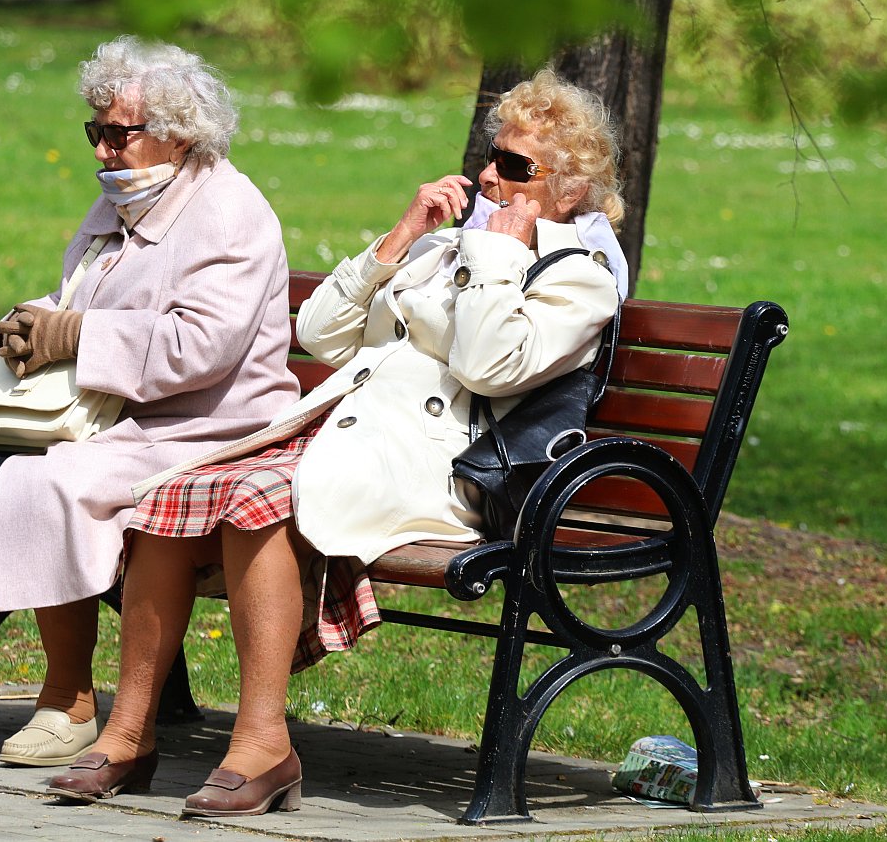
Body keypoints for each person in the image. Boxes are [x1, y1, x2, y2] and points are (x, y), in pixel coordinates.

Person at [44, 68, 626, 813]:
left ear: (569, 190)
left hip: (440, 475)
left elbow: (489, 364)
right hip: (356, 439)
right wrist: (405, 235)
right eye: (491, 155)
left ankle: (263, 745)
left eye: (515, 167)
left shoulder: (576, 277)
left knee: (257, 497)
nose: (487, 174)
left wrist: (499, 254)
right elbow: (318, 331)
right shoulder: (451, 249)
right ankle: (129, 732)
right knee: (177, 491)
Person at [0, 37, 299, 768]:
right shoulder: (120, 199)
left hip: (208, 428)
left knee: (48, 480)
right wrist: (31, 323)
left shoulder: (228, 211)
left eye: (116, 133)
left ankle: (69, 699)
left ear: (178, 131)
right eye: (93, 131)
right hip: (116, 419)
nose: (101, 150)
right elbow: (78, 301)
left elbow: (201, 347)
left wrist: (76, 335)